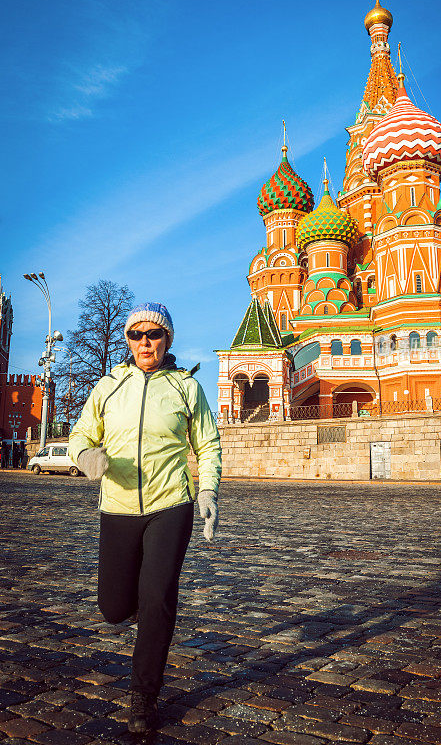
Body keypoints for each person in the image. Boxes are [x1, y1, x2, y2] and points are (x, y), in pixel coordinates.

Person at [68, 302, 221, 734]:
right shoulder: (109, 385)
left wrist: (207, 489)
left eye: (153, 334)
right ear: (128, 342)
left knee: (156, 599)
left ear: (166, 339)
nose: (145, 342)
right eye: (136, 335)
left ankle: (143, 696)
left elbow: (207, 444)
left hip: (171, 505)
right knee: (114, 608)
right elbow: (81, 433)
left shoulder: (185, 387)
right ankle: (137, 608)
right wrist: (84, 455)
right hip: (117, 507)